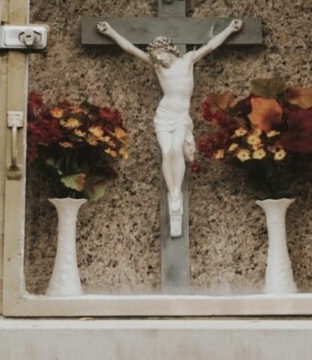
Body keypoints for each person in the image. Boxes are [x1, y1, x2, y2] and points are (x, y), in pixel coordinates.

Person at [96, 18, 242, 236]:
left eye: (159, 54)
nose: (157, 59)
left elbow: (211, 45)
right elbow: (129, 48)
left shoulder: (188, 60)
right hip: (164, 116)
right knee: (166, 152)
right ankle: (173, 190)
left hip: (181, 116)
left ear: (168, 49)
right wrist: (110, 32)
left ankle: (176, 192)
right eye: (154, 57)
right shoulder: (157, 67)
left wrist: (230, 29)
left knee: (176, 149)